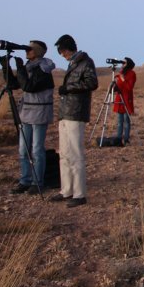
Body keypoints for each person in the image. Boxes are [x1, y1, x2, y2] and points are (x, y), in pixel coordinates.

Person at [50, 34, 98, 208]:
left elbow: (92, 83)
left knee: (75, 154)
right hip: (65, 113)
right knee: (64, 154)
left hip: (76, 113)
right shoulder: (73, 64)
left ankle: (79, 194)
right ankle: (66, 190)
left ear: (69, 48)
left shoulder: (86, 62)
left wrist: (69, 88)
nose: (62, 55)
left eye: (62, 51)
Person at [8, 40, 56, 194]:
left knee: (36, 149)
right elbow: (14, 84)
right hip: (26, 113)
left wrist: (20, 67)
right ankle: (25, 180)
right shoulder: (30, 67)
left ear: (38, 51)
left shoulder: (44, 70)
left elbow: (29, 86)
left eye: (30, 49)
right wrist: (6, 67)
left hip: (39, 114)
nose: (27, 51)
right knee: (23, 150)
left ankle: (37, 182)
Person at [113, 57, 136, 145]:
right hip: (119, 99)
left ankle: (126, 139)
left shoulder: (132, 74)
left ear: (128, 64)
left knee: (126, 120)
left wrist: (123, 79)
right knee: (119, 121)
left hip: (127, 99)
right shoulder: (121, 73)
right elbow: (118, 87)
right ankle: (118, 139)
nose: (122, 64)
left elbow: (130, 87)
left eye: (124, 63)